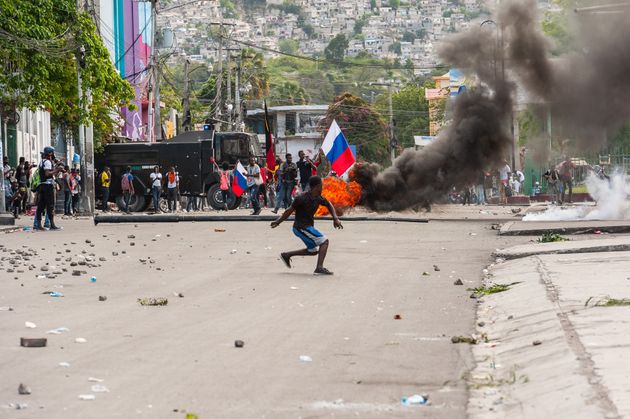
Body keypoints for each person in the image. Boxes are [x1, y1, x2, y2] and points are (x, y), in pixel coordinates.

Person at [271, 175, 343, 275]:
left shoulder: (318, 198)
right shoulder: (301, 198)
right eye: (321, 186)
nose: (322, 188)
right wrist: (278, 221)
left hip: (307, 227)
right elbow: (289, 211)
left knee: (313, 251)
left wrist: (335, 218)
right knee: (324, 241)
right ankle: (319, 268)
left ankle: (286, 255)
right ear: (317, 186)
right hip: (301, 227)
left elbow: (328, 204)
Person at [34, 146, 64, 230]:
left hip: (42, 185)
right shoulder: (47, 162)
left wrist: (55, 168)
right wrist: (57, 170)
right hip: (48, 186)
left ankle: (39, 225)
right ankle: (52, 225)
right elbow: (47, 174)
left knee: (41, 206)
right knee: (50, 205)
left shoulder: (42, 162)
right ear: (50, 153)